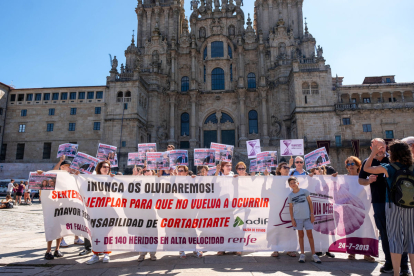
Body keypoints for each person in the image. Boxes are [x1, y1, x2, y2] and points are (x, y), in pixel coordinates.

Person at [363, 140, 414, 276]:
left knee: (395, 239)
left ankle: (396, 272)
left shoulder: (388, 167)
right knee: (411, 240)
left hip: (392, 206)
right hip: (411, 207)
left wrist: (373, 152)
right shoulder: (412, 167)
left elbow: (366, 168)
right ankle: (409, 270)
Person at [342, 156, 375, 263]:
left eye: (352, 164)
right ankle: (351, 252)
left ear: (358, 166)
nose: (350, 166)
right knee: (350, 231)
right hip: (348, 210)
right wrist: (332, 178)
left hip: (363, 210)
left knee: (366, 230)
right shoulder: (343, 178)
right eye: (348, 164)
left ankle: (367, 253)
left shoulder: (363, 178)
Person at [86, 160, 115, 264]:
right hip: (96, 210)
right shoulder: (93, 178)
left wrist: (113, 180)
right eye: (104, 166)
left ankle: (107, 253)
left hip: (108, 210)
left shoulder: (112, 178)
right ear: (99, 168)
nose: (106, 168)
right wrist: (77, 175)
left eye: (108, 167)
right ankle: (95, 254)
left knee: (107, 233)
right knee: (95, 232)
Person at [287, 176, 321, 264]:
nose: (293, 184)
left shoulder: (304, 191)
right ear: (289, 185)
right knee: (300, 235)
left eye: (294, 182)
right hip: (297, 218)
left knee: (310, 235)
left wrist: (312, 214)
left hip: (307, 217)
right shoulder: (290, 196)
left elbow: (310, 202)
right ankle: (302, 254)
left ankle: (314, 254)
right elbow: (291, 208)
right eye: (291, 183)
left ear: (298, 183)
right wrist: (292, 219)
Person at [176, 165, 203, 259]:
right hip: (179, 209)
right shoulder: (174, 180)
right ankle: (181, 250)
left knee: (192, 229)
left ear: (186, 172)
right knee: (180, 230)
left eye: (181, 171)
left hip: (190, 208)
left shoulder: (191, 180)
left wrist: (195, 178)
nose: (179, 172)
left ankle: (195, 249)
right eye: (178, 170)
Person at [138, 167, 157, 262]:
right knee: (142, 233)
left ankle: (152, 253)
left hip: (153, 211)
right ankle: (142, 253)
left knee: (153, 233)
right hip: (142, 211)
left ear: (152, 171)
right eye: (144, 171)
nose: (146, 172)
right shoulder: (140, 181)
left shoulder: (157, 180)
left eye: (148, 170)